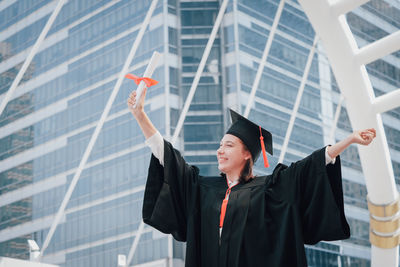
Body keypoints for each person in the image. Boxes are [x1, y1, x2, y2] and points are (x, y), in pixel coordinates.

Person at [127, 87, 376, 267]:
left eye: (229, 145)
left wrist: (349, 140)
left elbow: (308, 169)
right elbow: (168, 159)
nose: (220, 150)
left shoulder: (270, 188)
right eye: (220, 145)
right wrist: (140, 115)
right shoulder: (202, 188)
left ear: (247, 153)